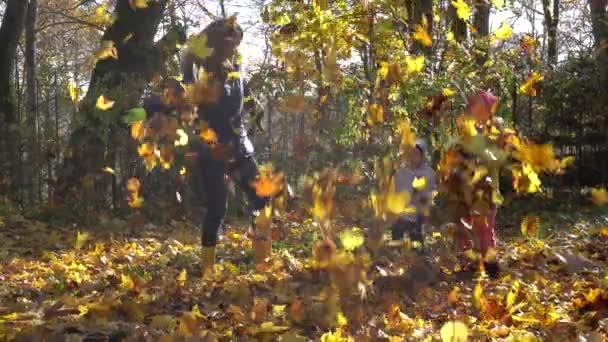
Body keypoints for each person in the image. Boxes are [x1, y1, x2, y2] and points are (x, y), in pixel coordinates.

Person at [180, 17, 271, 274]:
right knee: (217, 208)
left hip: (240, 143)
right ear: (220, 42)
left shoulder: (236, 62)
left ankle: (264, 264)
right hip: (212, 147)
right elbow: (189, 105)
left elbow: (244, 86)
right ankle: (207, 270)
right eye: (233, 42)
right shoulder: (196, 65)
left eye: (239, 42)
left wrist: (253, 104)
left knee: (261, 198)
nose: (237, 47)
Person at [444, 90, 504, 278]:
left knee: (485, 228)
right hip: (466, 189)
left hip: (487, 190)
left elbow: (498, 157)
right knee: (465, 227)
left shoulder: (493, 130)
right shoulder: (466, 131)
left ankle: (491, 264)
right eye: (473, 106)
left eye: (480, 106)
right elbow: (453, 150)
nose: (475, 109)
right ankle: (472, 262)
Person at [392, 139, 437, 252]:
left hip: (419, 218)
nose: (413, 157)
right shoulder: (401, 173)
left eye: (416, 153)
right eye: (410, 154)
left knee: (417, 248)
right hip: (401, 217)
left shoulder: (429, 173)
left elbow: (432, 193)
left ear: (422, 156)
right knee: (398, 248)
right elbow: (395, 193)